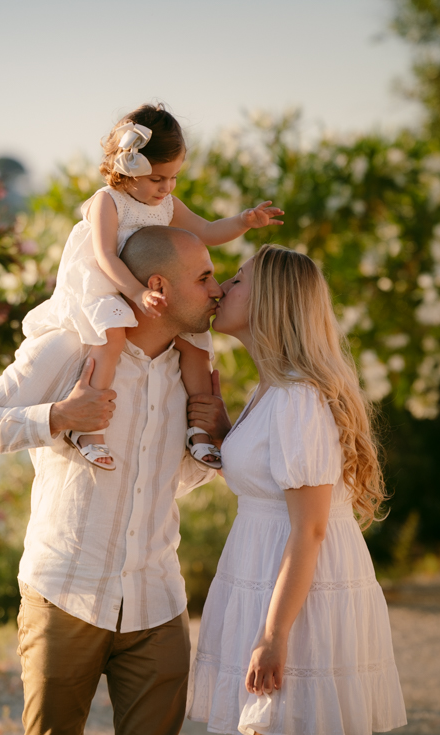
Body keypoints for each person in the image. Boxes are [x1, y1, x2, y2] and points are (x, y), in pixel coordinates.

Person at [0, 226, 231, 735]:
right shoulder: (69, 348)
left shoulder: (191, 370)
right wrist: (58, 416)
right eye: (204, 278)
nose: (217, 290)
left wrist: (211, 438)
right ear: (158, 287)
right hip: (65, 595)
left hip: (157, 603)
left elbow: (167, 485)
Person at [187, 244, 407, 735]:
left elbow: (309, 528)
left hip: (300, 600)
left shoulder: (297, 400)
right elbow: (270, 483)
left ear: (269, 304)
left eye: (236, 281)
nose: (220, 290)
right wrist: (223, 435)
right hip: (273, 582)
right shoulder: (272, 390)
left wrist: (273, 634)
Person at [22, 103, 283, 471]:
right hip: (108, 284)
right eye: (158, 179)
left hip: (150, 285)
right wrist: (136, 293)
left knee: (196, 345)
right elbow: (105, 257)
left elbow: (207, 231)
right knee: (111, 338)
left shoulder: (167, 204)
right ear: (126, 169)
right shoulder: (107, 202)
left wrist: (243, 221)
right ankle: (90, 428)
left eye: (174, 177)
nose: (167, 187)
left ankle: (199, 431)